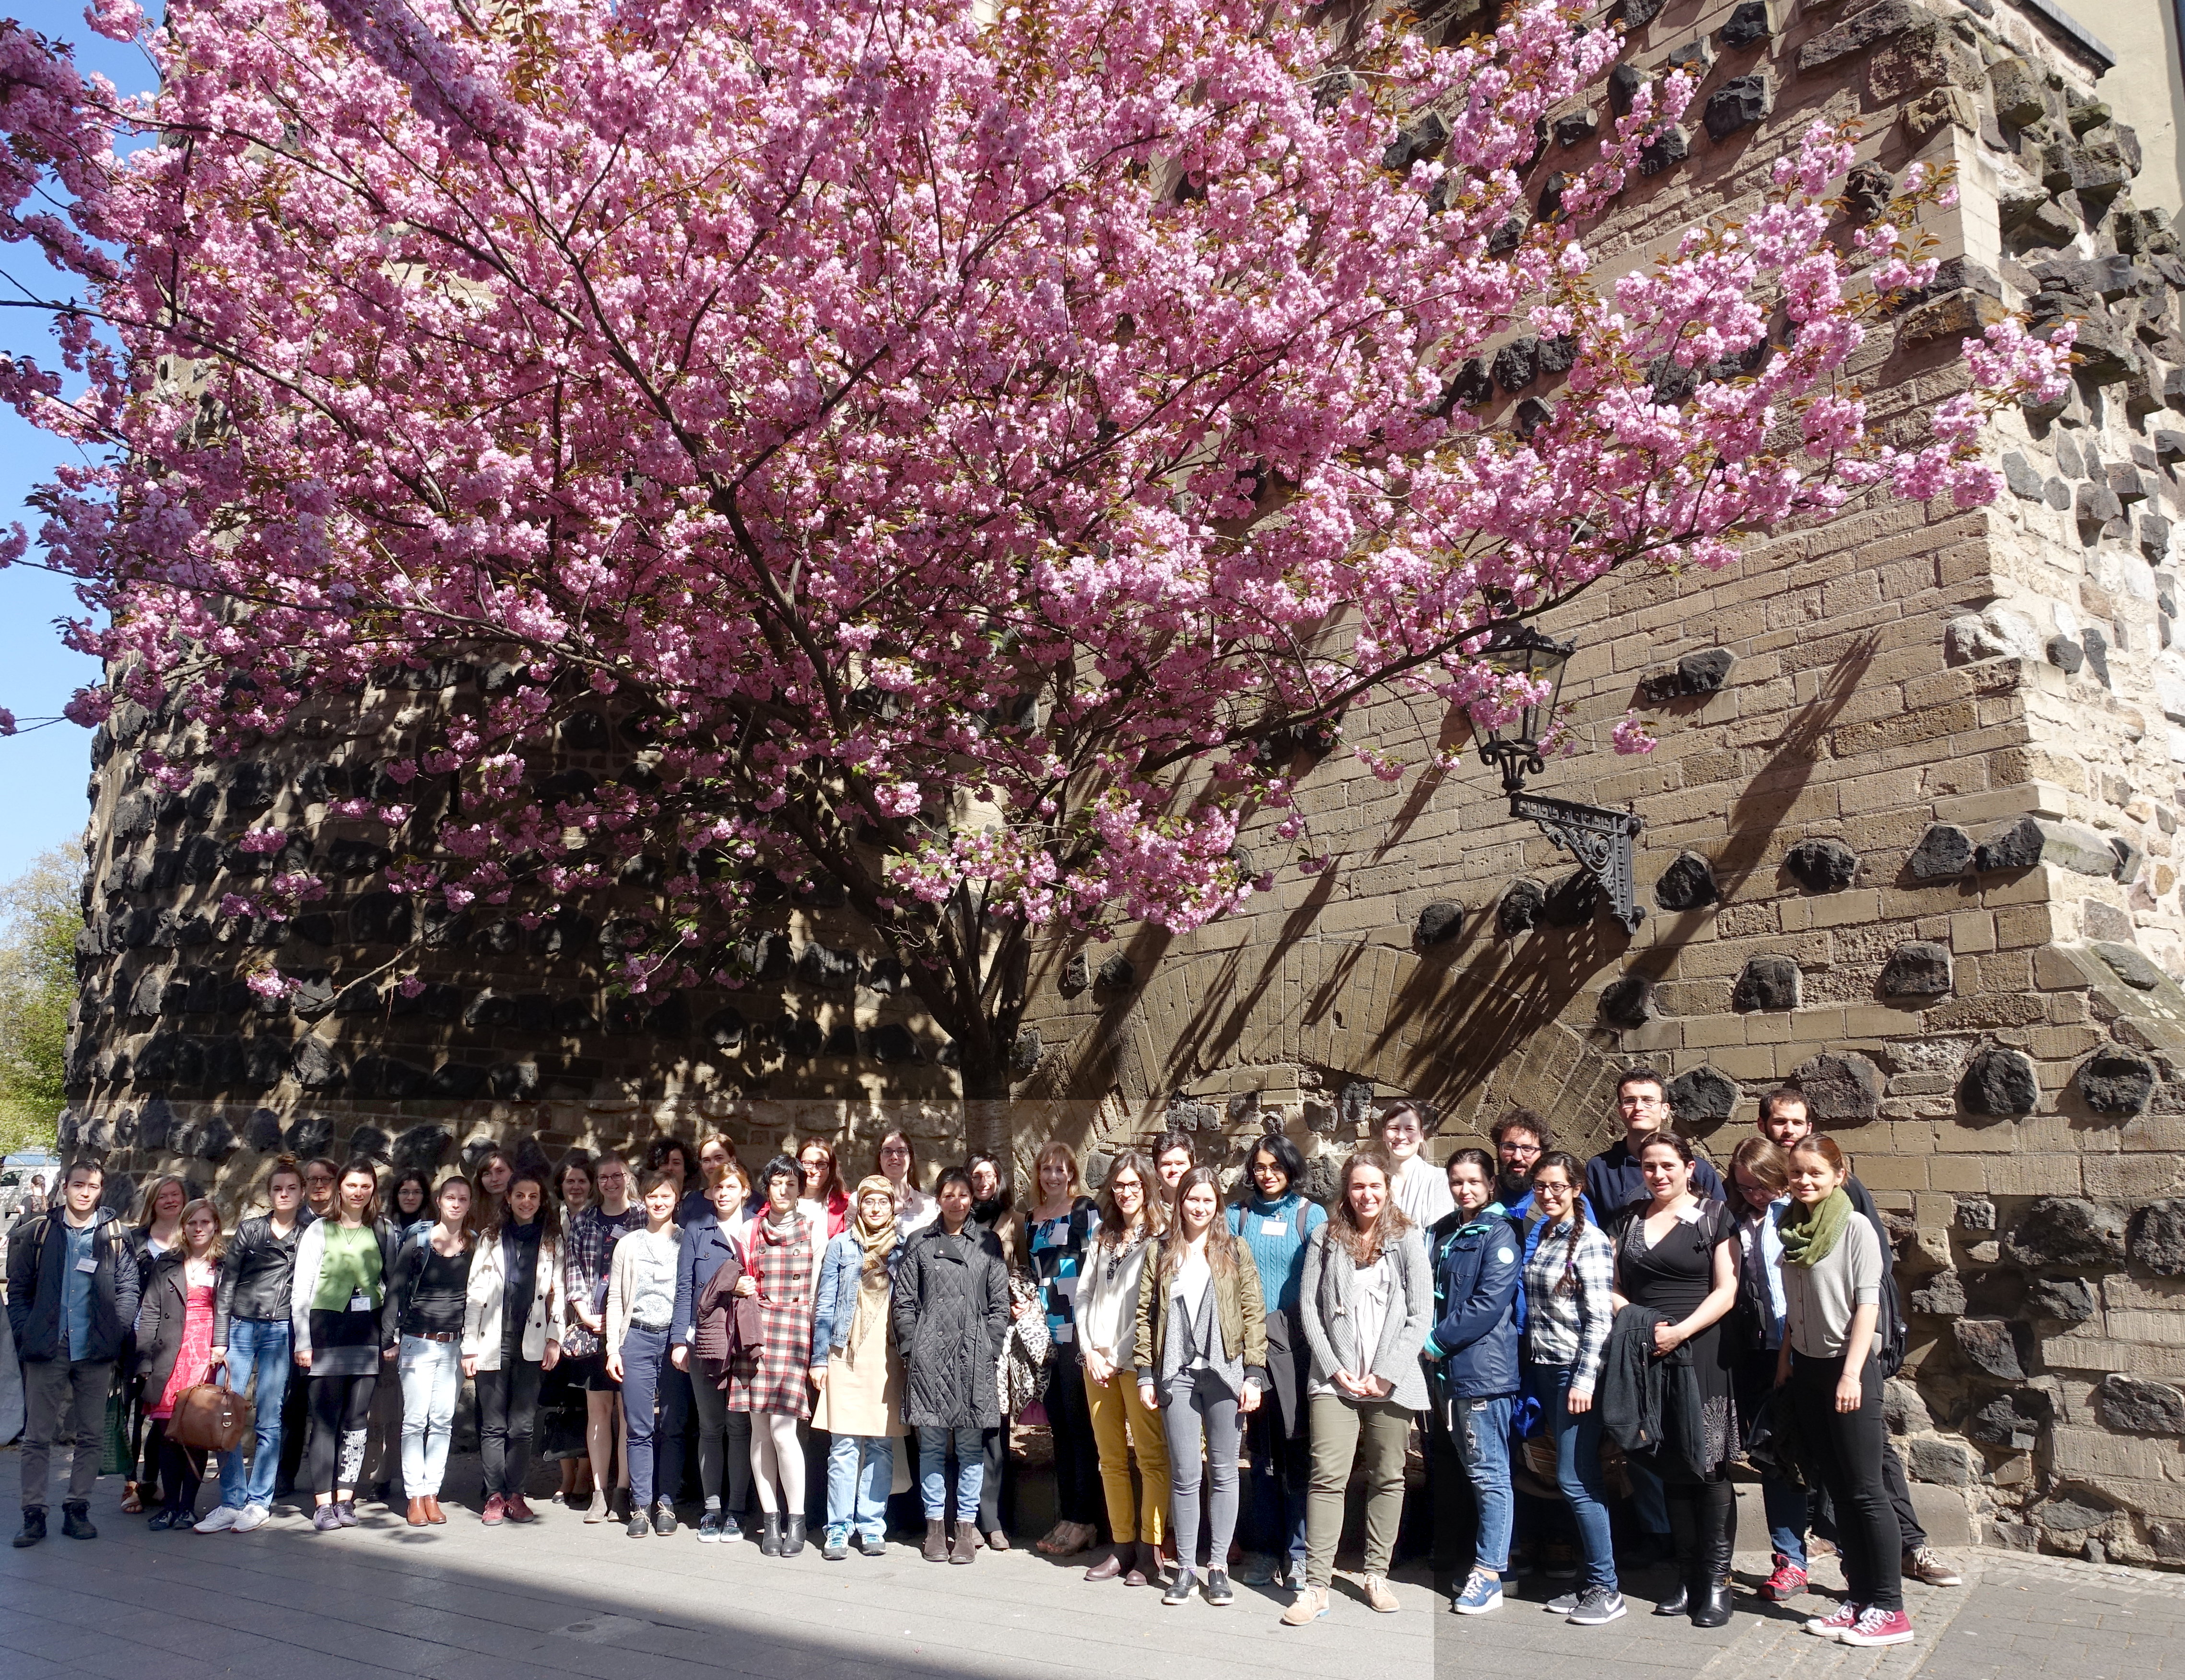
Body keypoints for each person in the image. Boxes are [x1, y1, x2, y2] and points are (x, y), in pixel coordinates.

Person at [1755, 1087, 1959, 1590]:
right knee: (1817, 1460)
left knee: (1871, 1465)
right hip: (1797, 1351)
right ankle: (1846, 1564)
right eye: (1779, 1122)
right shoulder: (1765, 1190)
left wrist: (1861, 1361)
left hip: (1849, 1354)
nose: (1788, 1131)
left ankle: (1906, 1551)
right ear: (1764, 1127)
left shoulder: (1847, 1205)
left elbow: (1873, 1285)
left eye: (1796, 1122)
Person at [1284, 1145, 1431, 1626]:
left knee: (1388, 1476)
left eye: (1374, 1186)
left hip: (1391, 1380)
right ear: (1346, 1192)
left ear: (1387, 1189)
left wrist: (1388, 1370)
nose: (1367, 1195)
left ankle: (1375, 1574)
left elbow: (1420, 1314)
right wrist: (1332, 1366)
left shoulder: (1407, 1238)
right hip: (1336, 1380)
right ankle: (1316, 1586)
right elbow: (1310, 1308)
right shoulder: (1326, 1238)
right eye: (1357, 1186)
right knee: (1327, 1477)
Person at [1776, 1135, 1914, 1648]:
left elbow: (1867, 1304)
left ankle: (1890, 1608)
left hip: (1847, 1368)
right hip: (1808, 1368)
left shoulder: (1854, 1228)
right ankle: (1858, 1598)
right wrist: (1785, 1360)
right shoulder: (1790, 1228)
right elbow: (1794, 1306)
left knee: (1866, 1491)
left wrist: (1852, 1374)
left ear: (1839, 1175)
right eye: (1796, 1172)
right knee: (1837, 1489)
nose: (1804, 1181)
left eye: (1815, 1172)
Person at [1609, 1131, 1740, 1627]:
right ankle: (1687, 1578)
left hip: (1702, 1351)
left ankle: (1718, 1582)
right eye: (1649, 1167)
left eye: (1667, 1165)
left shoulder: (1714, 1215)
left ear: (1689, 1168)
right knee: (1672, 1466)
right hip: (1649, 1352)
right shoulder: (1628, 1220)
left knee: (1708, 1467)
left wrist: (1681, 1331)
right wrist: (1639, 1324)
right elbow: (1612, 1285)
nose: (1658, 1174)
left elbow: (1727, 1289)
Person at [1134, 1164, 1266, 1607]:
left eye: (1209, 1200)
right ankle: (1187, 1568)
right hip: (1178, 1375)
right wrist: (1146, 1374)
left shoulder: (1235, 1250)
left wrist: (1253, 1374)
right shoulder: (1160, 1250)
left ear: (1218, 1205)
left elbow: (1253, 1312)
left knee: (1224, 1472)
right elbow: (1144, 1315)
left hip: (1225, 1374)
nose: (1200, 1207)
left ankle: (1218, 1567)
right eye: (1193, 1198)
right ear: (1180, 1201)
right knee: (1186, 1474)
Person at [8, 1159, 141, 1547]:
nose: (85, 1192)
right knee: (37, 1437)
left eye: (93, 1186)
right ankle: (34, 1513)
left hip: (94, 1348)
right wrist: (26, 1331)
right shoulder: (40, 1232)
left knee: (91, 1435)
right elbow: (19, 1289)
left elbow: (128, 1288)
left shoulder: (115, 1235)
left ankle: (77, 1507)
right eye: (79, 1184)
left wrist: (115, 1331)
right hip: (48, 1346)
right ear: (65, 1186)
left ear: (101, 1190)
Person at [1519, 1152, 1624, 1626]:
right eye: (1540, 1186)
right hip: (1545, 1369)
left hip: (1572, 1373)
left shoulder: (1591, 1242)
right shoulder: (1545, 1233)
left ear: (1576, 1188)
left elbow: (1599, 1320)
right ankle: (1590, 1581)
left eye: (1557, 1186)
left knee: (1577, 1479)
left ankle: (1606, 1588)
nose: (1548, 1194)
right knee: (1570, 1478)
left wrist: (1584, 1380)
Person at [1421, 1148, 1521, 1616]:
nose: (1464, 1190)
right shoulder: (1446, 1230)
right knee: (1474, 1471)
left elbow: (1488, 1303)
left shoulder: (1499, 1232)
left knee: (1489, 1474)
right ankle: (1491, 1565)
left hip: (1482, 1372)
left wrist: (1436, 1341)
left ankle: (1490, 1574)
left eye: (1473, 1181)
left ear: (1490, 1184)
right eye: (1457, 1182)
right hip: (1452, 1375)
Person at [894, 1167, 1010, 1564]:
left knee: (969, 1447)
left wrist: (990, 1346)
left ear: (971, 1199)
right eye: (949, 1195)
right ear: (939, 1199)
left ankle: (964, 1527)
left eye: (963, 1194)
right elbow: (904, 1302)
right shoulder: (920, 1242)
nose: (957, 1201)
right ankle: (934, 1527)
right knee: (930, 1445)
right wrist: (912, 1348)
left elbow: (1000, 1303)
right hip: (929, 1357)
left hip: (974, 1355)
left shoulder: (988, 1243)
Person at [1228, 1131, 1325, 1591]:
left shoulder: (1310, 1215)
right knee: (1262, 1455)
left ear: (1290, 1167)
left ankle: (1299, 1553)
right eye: (1260, 1167)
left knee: (1298, 1451)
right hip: (1251, 1348)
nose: (1267, 1175)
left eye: (1276, 1166)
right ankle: (1266, 1552)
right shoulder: (1237, 1217)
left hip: (1297, 1349)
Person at [197, 1157, 306, 1533]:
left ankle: (259, 1502)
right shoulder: (251, 1229)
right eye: (278, 1189)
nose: (284, 1194)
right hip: (242, 1326)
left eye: (291, 1188)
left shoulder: (310, 1234)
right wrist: (220, 1340)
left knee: (269, 1418)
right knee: (225, 1413)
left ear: (302, 1193)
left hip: (281, 1328)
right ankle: (231, 1501)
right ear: (269, 1193)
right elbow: (227, 1284)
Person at [1078, 1149, 1169, 1586]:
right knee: (1110, 1458)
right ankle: (1122, 1546)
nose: (1126, 1192)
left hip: (1137, 1363)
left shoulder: (1162, 1235)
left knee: (1151, 1457)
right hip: (1096, 1363)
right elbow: (1084, 1295)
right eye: (1119, 1185)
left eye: (1134, 1184)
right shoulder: (1103, 1234)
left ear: (1147, 1186)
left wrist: (1117, 1354)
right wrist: (1090, 1351)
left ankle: (1151, 1551)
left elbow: (1152, 1307)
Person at [726, 1154, 825, 1555]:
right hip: (757, 1330)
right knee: (760, 1431)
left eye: (791, 1183)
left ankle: (796, 1519)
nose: (784, 1190)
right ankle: (771, 1520)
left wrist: (818, 1349)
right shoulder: (749, 1228)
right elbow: (739, 1278)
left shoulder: (815, 1229)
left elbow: (819, 1292)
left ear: (801, 1188)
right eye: (777, 1183)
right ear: (767, 1188)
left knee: (785, 1431)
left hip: (795, 1329)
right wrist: (740, 1286)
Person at [291, 1160, 396, 1531]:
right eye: (352, 1185)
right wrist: (303, 1341)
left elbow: (392, 1286)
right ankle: (323, 1503)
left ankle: (346, 1499)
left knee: (356, 1421)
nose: (358, 1192)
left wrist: (391, 1335)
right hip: (326, 1334)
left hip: (366, 1335)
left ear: (373, 1190)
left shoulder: (382, 1230)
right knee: (325, 1421)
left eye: (366, 1186)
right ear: (340, 1188)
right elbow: (302, 1289)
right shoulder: (319, 1229)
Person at [1727, 1136, 1807, 1602]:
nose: (1755, 1195)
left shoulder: (1795, 1216)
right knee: (1775, 1458)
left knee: (1815, 1457)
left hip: (1800, 1350)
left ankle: (1850, 1552)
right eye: (1745, 1187)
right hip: (1755, 1353)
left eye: (1761, 1185)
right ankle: (1789, 1560)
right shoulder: (1734, 1222)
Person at [811, 1175, 908, 1559]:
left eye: (883, 1202)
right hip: (844, 1352)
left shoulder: (903, 1247)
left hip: (886, 1356)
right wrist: (819, 1359)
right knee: (844, 1446)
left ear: (892, 1207)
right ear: (859, 1206)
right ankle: (838, 1528)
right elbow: (825, 1304)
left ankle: (871, 1526)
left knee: (882, 1446)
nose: (875, 1208)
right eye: (869, 1201)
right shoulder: (841, 1245)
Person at [466, 1168, 563, 1526]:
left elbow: (559, 1292)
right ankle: (494, 1496)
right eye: (520, 1195)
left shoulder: (551, 1240)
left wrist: (555, 1337)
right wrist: (469, 1346)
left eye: (533, 1196)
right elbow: (475, 1293)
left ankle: (516, 1494)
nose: (526, 1202)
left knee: (522, 1426)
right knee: (493, 1425)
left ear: (541, 1201)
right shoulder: (491, 1238)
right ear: (508, 1199)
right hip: (493, 1339)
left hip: (532, 1342)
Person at [386, 1173, 479, 1528]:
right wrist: (389, 1338)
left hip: (453, 1344)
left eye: (463, 1199)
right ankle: (414, 1496)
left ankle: (431, 1494)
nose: (456, 1204)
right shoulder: (419, 1243)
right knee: (414, 1421)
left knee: (442, 1421)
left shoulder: (474, 1245)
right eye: (450, 1197)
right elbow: (396, 1290)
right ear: (439, 1202)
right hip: (417, 1341)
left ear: (469, 1205)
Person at [1025, 1139, 1103, 1557]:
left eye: (1060, 1169)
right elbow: (1034, 1271)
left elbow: (1098, 1267)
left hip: (1077, 1326)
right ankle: (1069, 1515)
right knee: (1058, 1425)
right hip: (1045, 1330)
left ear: (1071, 1173)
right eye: (1046, 1169)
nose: (1053, 1176)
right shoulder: (1031, 1218)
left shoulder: (1084, 1210)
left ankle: (1085, 1519)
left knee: (1080, 1425)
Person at [674, 1161, 754, 1541]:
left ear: (745, 1191)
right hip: (704, 1339)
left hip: (743, 1340)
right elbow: (684, 1286)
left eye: (731, 1187)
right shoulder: (696, 1229)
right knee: (710, 1427)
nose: (723, 1193)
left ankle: (736, 1510)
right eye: (718, 1187)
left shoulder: (756, 1228)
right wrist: (679, 1340)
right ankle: (711, 1510)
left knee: (739, 1427)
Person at [605, 1169, 685, 1539]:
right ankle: (640, 1505)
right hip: (636, 1338)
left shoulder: (686, 1241)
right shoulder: (629, 1244)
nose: (659, 1202)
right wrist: (613, 1349)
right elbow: (615, 1300)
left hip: (673, 1341)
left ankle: (666, 1503)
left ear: (676, 1200)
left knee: (672, 1426)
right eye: (652, 1196)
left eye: (666, 1196)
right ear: (644, 1201)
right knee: (638, 1427)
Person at [134, 1198, 223, 1530]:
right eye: (192, 1222)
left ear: (215, 1226)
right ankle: (170, 1505)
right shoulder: (167, 1263)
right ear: (183, 1227)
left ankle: (188, 1507)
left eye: (205, 1222)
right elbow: (150, 1312)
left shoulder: (225, 1265)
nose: (199, 1228)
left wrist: (222, 1348)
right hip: (169, 1354)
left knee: (195, 1433)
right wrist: (144, 1361)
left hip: (206, 1355)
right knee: (167, 1434)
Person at [564, 1153, 643, 1521]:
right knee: (598, 1410)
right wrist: (585, 1314)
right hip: (594, 1325)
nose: (610, 1183)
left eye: (617, 1176)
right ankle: (599, 1491)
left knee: (628, 1412)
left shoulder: (643, 1216)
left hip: (632, 1327)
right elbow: (574, 1271)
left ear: (628, 1177)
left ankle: (623, 1489)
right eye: (603, 1178)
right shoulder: (584, 1221)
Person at [272, 1155, 340, 1501]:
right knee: (294, 1401)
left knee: (331, 1404)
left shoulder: (345, 1220)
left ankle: (331, 1477)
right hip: (294, 1320)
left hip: (335, 1322)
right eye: (312, 1179)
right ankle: (285, 1473)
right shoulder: (293, 1222)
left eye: (326, 1179)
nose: (319, 1185)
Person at [121, 1173, 189, 1516]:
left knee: (162, 1414)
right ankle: (130, 1483)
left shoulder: (191, 1241)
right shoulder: (135, 1241)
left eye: (175, 1195)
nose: (170, 1201)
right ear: (152, 1202)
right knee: (131, 1415)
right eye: (162, 1196)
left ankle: (150, 1480)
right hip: (134, 1337)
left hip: (172, 1341)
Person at [1586, 1069, 1725, 1213]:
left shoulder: (1698, 1170)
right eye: (1630, 1101)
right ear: (1620, 1111)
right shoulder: (1599, 1169)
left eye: (1648, 1100)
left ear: (1665, 1110)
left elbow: (1720, 1221)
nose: (1638, 1108)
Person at [542, 1155, 599, 1510]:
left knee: (591, 1403)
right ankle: (566, 1475)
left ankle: (586, 1476)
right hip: (556, 1321)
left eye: (581, 1181)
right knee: (564, 1402)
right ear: (560, 1187)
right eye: (569, 1181)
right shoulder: (552, 1221)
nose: (575, 1187)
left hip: (589, 1323)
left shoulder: (597, 1220)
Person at [1381, 1101, 1455, 1227]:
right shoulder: (1373, 1180)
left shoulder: (1438, 1179)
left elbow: (1440, 1232)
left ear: (1421, 1136)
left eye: (1409, 1129)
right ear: (1384, 1134)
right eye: (1394, 1128)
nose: (1401, 1136)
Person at [878, 1130, 937, 1238]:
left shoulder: (930, 1206)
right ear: (879, 1159)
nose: (894, 1157)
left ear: (910, 1158)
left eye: (901, 1151)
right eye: (887, 1151)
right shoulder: (860, 1202)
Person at [793, 1136, 851, 1239]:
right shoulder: (784, 1200)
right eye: (808, 1163)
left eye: (821, 1164)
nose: (814, 1171)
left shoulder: (846, 1204)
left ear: (831, 1168)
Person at [681, 1133, 741, 1227]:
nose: (713, 1165)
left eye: (719, 1158)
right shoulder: (693, 1201)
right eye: (706, 1160)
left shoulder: (753, 1201)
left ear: (733, 1160)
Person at [1151, 1132, 1195, 1208]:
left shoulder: (1205, 1209)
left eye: (1180, 1164)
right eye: (1166, 1164)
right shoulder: (1145, 1210)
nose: (1174, 1170)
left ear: (1192, 1168)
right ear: (1156, 1170)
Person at [474, 1149, 516, 1221]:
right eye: (487, 1174)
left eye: (500, 1171)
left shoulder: (524, 1208)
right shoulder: (471, 1210)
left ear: (512, 1172)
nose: (494, 1179)